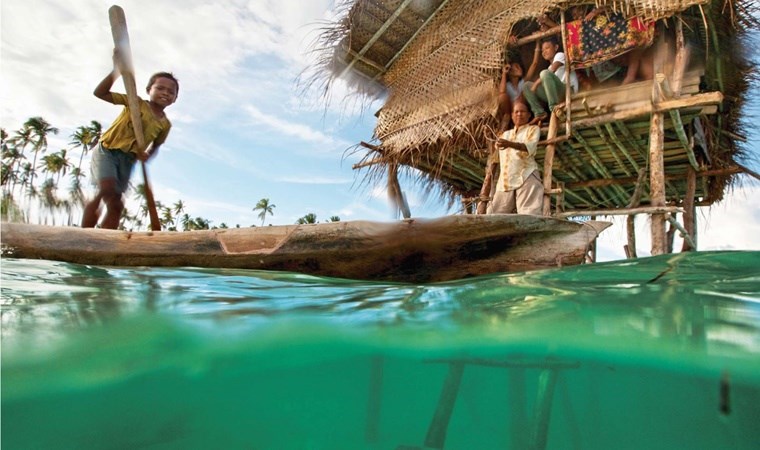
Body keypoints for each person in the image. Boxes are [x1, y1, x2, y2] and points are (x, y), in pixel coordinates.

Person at [81, 51, 178, 229]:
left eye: (171, 92)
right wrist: (116, 72)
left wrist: (149, 154)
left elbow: (156, 145)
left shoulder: (165, 125)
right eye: (160, 88)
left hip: (128, 160)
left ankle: (105, 241)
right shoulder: (135, 102)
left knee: (116, 204)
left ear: (175, 99)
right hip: (108, 150)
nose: (165, 93)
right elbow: (100, 93)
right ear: (149, 90)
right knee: (106, 189)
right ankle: (84, 232)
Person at [487, 100, 543, 215]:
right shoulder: (505, 134)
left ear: (529, 115)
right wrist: (493, 143)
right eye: (516, 112)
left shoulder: (532, 129)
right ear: (512, 116)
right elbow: (496, 157)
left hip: (526, 175)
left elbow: (530, 147)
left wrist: (509, 144)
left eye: (522, 111)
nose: (519, 114)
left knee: (529, 214)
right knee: (493, 215)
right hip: (506, 181)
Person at [521, 37, 578, 123]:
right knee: (526, 86)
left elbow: (552, 69)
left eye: (547, 48)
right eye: (542, 50)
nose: (544, 52)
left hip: (568, 91)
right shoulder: (548, 69)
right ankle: (539, 112)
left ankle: (554, 108)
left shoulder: (561, 55)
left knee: (544, 73)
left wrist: (536, 84)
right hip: (558, 95)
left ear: (555, 47)